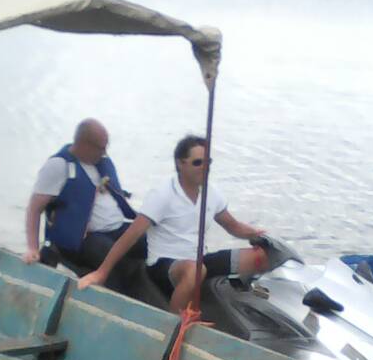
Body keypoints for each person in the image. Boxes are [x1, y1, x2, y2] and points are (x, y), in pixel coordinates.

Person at [78, 135, 269, 312]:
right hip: (164, 264)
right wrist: (101, 273)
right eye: (197, 162)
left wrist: (257, 234)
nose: (205, 167)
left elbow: (233, 226)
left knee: (261, 257)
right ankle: (175, 324)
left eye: (208, 162)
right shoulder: (162, 194)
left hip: (198, 259)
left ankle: (239, 300)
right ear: (180, 163)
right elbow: (131, 235)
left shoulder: (211, 192)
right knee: (195, 271)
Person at [23, 118, 145, 291]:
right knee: (113, 257)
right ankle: (121, 297)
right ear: (84, 144)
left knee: (152, 241)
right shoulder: (59, 166)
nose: (105, 153)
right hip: (83, 238)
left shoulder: (102, 164)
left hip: (116, 227)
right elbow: (34, 209)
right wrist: (32, 248)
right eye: (101, 148)